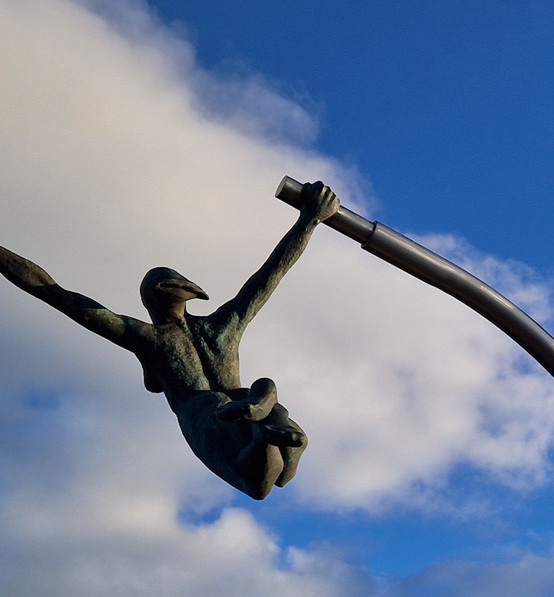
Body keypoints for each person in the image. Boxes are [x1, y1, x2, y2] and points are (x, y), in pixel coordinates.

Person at [0, 181, 340, 499]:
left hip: (202, 412)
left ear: (149, 301)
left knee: (259, 482)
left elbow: (51, 292)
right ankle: (267, 405)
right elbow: (270, 274)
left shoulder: (146, 337)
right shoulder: (225, 325)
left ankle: (265, 423)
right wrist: (309, 219)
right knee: (281, 465)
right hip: (238, 397)